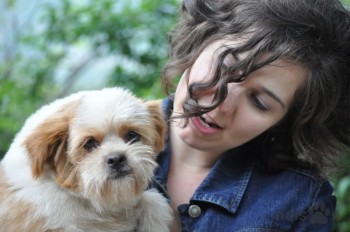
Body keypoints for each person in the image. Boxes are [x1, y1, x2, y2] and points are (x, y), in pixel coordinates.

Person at [150, 0, 350, 231]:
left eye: (259, 102)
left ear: (284, 121)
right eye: (224, 66)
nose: (222, 105)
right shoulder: (102, 129)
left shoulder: (302, 203)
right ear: (201, 40)